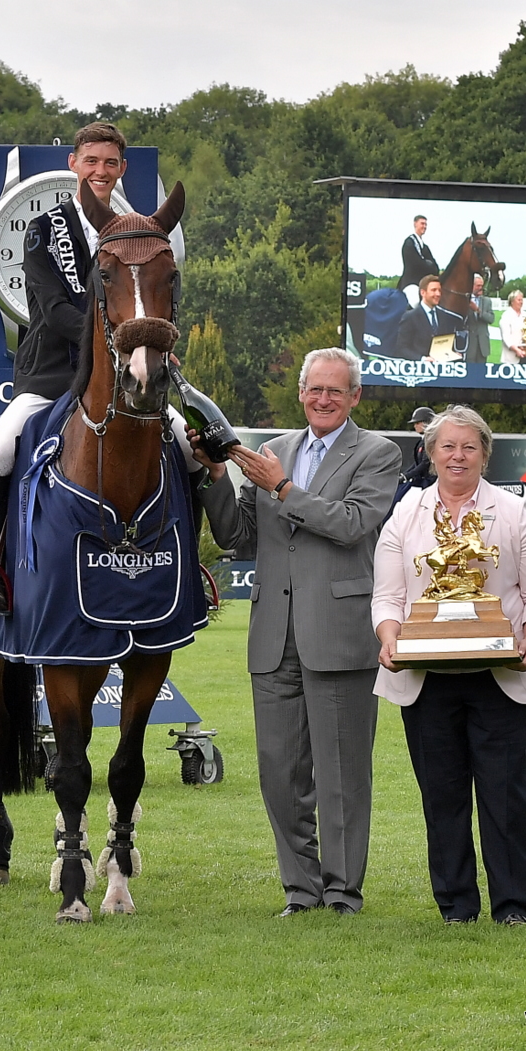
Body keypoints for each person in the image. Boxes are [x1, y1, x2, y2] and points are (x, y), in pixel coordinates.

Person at [193, 348, 401, 916]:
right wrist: (216, 474)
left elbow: (354, 526)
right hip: (273, 637)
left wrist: (283, 489)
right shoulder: (273, 452)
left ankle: (341, 893)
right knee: (280, 776)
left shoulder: (378, 453)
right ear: (301, 393)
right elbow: (238, 538)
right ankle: (300, 891)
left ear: (355, 397)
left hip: (339, 635)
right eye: (315, 389)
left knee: (340, 778)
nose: (324, 399)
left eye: (336, 391)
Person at [0, 121, 197, 613]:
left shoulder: (139, 230)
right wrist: (120, 342)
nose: (100, 170)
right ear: (73, 164)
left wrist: (150, 345)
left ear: (123, 169)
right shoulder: (43, 228)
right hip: (52, 374)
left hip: (126, 375)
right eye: (91, 160)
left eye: (110, 162)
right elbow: (50, 311)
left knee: (191, 444)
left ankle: (192, 561)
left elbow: (154, 300)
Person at [371, 405, 526, 925]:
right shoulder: (405, 514)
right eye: (448, 446)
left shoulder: (514, 514)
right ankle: (456, 906)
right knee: (442, 795)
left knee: (507, 797)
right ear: (430, 454)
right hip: (425, 678)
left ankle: (512, 907)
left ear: (484, 454)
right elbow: (386, 597)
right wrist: (389, 638)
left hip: (502, 678)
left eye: (469, 447)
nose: (458, 456)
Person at [395, 276, 464, 361]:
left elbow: (445, 343)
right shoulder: (410, 317)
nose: (438, 294)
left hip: (441, 369)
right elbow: (402, 348)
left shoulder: (444, 317)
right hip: (420, 370)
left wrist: (452, 354)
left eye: (439, 290)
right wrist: (422, 359)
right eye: (434, 290)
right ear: (423, 293)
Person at [397, 215, 440, 307]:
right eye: (422, 224)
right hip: (411, 282)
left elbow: (435, 267)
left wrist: (428, 264)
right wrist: (428, 264)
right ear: (415, 224)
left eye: (426, 224)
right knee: (416, 303)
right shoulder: (409, 243)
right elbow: (415, 264)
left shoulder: (425, 247)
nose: (424, 226)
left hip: (424, 283)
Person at [465, 274, 494, 363]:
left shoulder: (487, 301)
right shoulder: (465, 300)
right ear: (471, 285)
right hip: (469, 344)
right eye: (478, 286)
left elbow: (491, 319)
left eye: (482, 285)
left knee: (481, 373)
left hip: (482, 345)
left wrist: (478, 310)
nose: (480, 288)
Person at [498, 289, 526, 365]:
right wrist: (516, 350)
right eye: (519, 300)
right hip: (510, 358)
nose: (521, 302)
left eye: (522, 300)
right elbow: (506, 337)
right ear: (512, 301)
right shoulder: (506, 316)